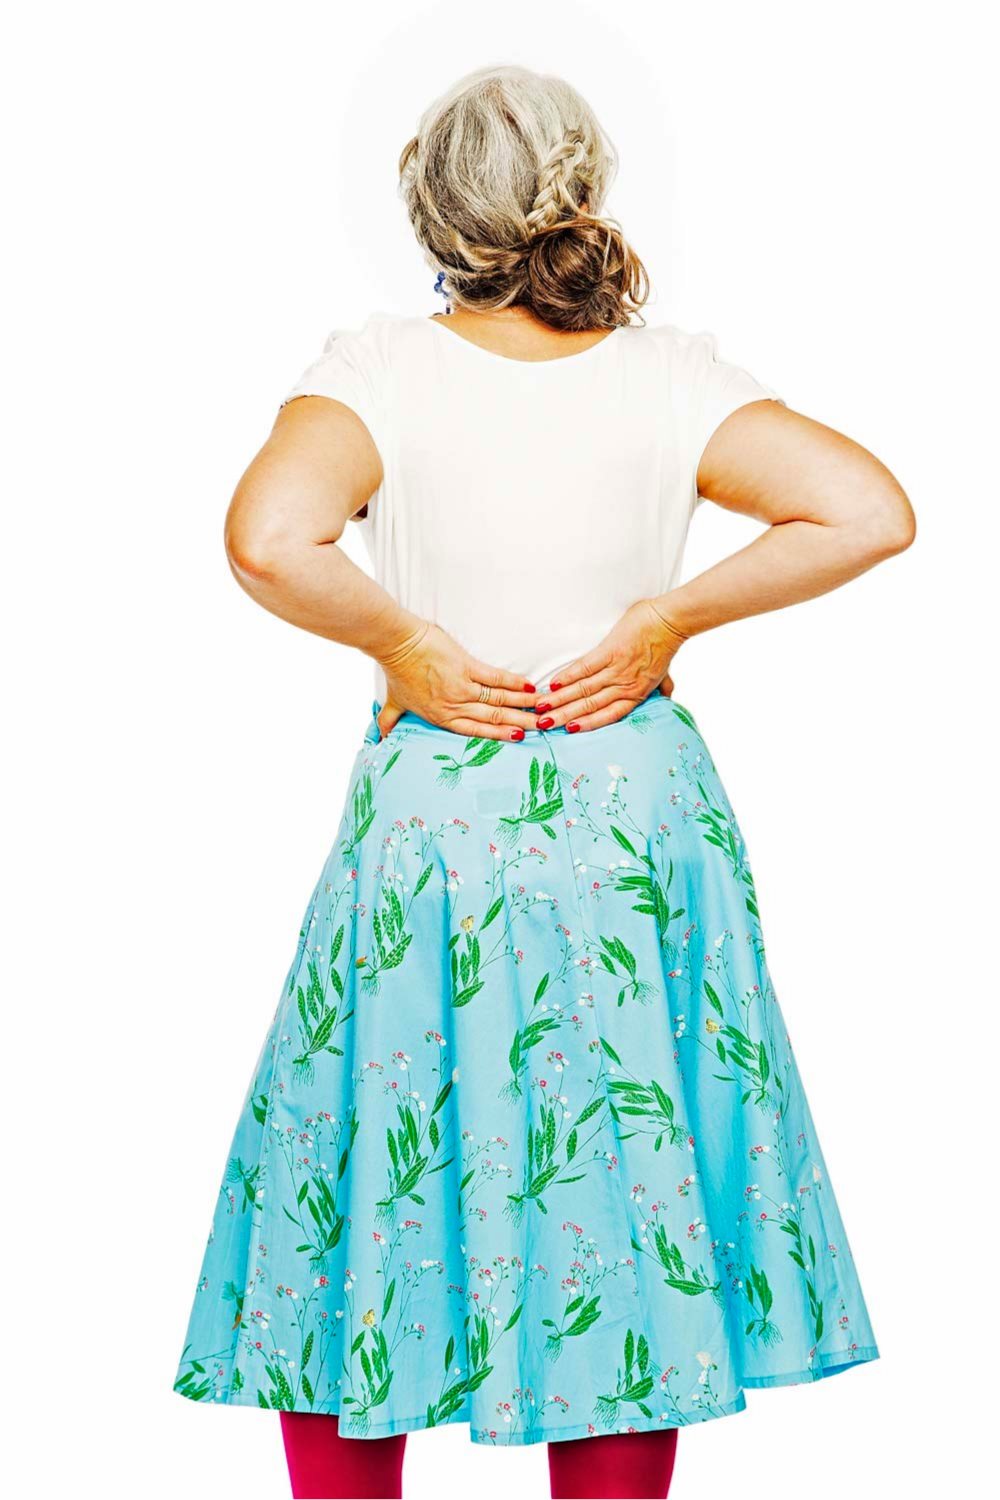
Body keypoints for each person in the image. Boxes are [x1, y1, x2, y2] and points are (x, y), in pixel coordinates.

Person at [173, 63, 914, 1500]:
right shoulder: (668, 375)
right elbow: (868, 510)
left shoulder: (379, 372)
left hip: (437, 819)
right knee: (622, 1188)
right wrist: (663, 623)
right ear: (584, 188)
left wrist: (408, 646)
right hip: (633, 823)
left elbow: (268, 537)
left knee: (368, 1162)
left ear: (429, 207)